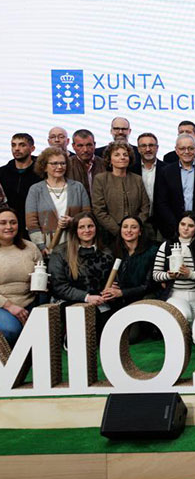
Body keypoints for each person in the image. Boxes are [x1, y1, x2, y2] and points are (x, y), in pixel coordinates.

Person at [48, 212, 117, 328]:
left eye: (90, 226)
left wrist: (112, 289)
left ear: (96, 228)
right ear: (75, 230)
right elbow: (59, 287)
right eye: (81, 227)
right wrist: (87, 297)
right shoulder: (60, 252)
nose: (87, 230)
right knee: (88, 321)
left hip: (100, 302)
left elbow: (114, 279)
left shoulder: (106, 252)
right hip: (69, 301)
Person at [152, 212, 195, 325]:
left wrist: (190, 274)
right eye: (183, 224)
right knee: (183, 316)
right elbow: (156, 274)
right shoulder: (166, 245)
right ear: (178, 225)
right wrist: (168, 275)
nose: (185, 228)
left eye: (190, 226)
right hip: (175, 294)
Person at [25, 147, 90, 256]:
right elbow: (31, 223)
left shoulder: (78, 187)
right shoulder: (35, 190)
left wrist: (73, 221)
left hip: (76, 244)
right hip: (48, 248)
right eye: (54, 163)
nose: (59, 167)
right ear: (44, 167)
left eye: (63, 163)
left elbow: (88, 216)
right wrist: (41, 246)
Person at [153, 134, 195, 239]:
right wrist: (176, 225)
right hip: (173, 229)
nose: (186, 152)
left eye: (190, 148)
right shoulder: (166, 171)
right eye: (182, 148)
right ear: (176, 150)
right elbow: (161, 202)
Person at [107, 215, 159, 342]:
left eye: (133, 227)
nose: (128, 230)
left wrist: (122, 292)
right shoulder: (113, 250)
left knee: (131, 338)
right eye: (125, 227)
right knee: (113, 334)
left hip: (141, 297)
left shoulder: (152, 251)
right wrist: (112, 286)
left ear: (140, 231)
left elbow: (149, 285)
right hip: (119, 299)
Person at [91, 141, 150, 239]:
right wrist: (119, 231)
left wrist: (135, 227)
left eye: (125, 155)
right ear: (110, 159)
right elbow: (99, 210)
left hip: (137, 234)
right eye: (117, 155)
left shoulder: (137, 179)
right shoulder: (101, 179)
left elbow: (145, 206)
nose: (122, 157)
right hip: (110, 234)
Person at [0, 208, 42, 344]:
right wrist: (10, 306)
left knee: (45, 326)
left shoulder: (30, 248)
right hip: (3, 304)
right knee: (11, 330)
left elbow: (41, 272)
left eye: (13, 222)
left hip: (30, 301)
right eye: (3, 223)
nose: (9, 227)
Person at [0, 133, 41, 235]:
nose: (17, 149)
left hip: (35, 227)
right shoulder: (2, 173)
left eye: (22, 145)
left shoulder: (41, 173)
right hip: (7, 228)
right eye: (13, 145)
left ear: (32, 148)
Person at [133, 132, 165, 241]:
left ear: (157, 148)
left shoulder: (167, 169)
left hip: (162, 223)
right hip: (138, 221)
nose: (148, 149)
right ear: (138, 149)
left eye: (151, 145)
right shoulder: (131, 170)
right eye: (143, 146)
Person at [68, 129, 105, 196]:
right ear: (73, 146)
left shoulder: (105, 165)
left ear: (94, 145)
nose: (85, 150)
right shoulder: (67, 165)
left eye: (89, 145)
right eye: (80, 146)